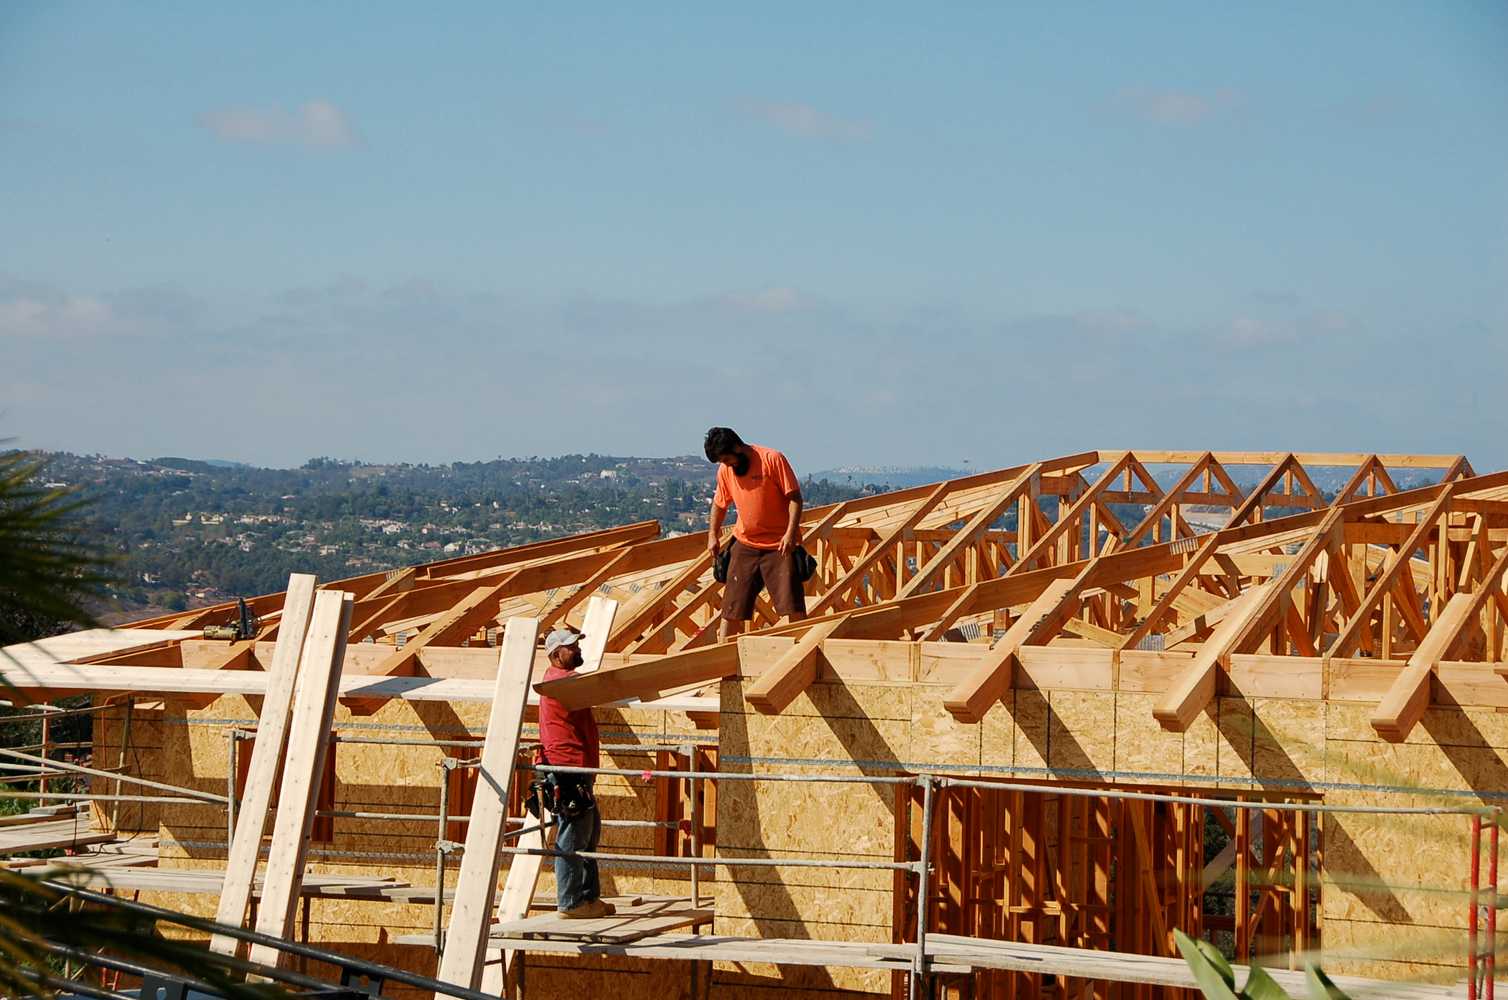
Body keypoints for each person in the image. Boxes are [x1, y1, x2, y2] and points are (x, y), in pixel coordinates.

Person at [536, 626, 614, 918]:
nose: (578, 650)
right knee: (572, 835)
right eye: (572, 647)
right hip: (567, 767)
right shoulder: (561, 683)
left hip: (576, 767)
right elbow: (605, 687)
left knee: (588, 831)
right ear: (557, 655)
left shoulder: (564, 681)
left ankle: (589, 898)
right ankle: (570, 903)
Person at [703, 426, 806, 641]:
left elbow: (795, 498)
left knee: (791, 606)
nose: (726, 465)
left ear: (737, 448)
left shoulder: (772, 459)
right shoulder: (725, 471)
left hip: (779, 545)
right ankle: (724, 654)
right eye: (722, 461)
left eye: (727, 459)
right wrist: (712, 535)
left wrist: (790, 534)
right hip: (745, 544)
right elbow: (719, 505)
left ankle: (800, 651)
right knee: (731, 607)